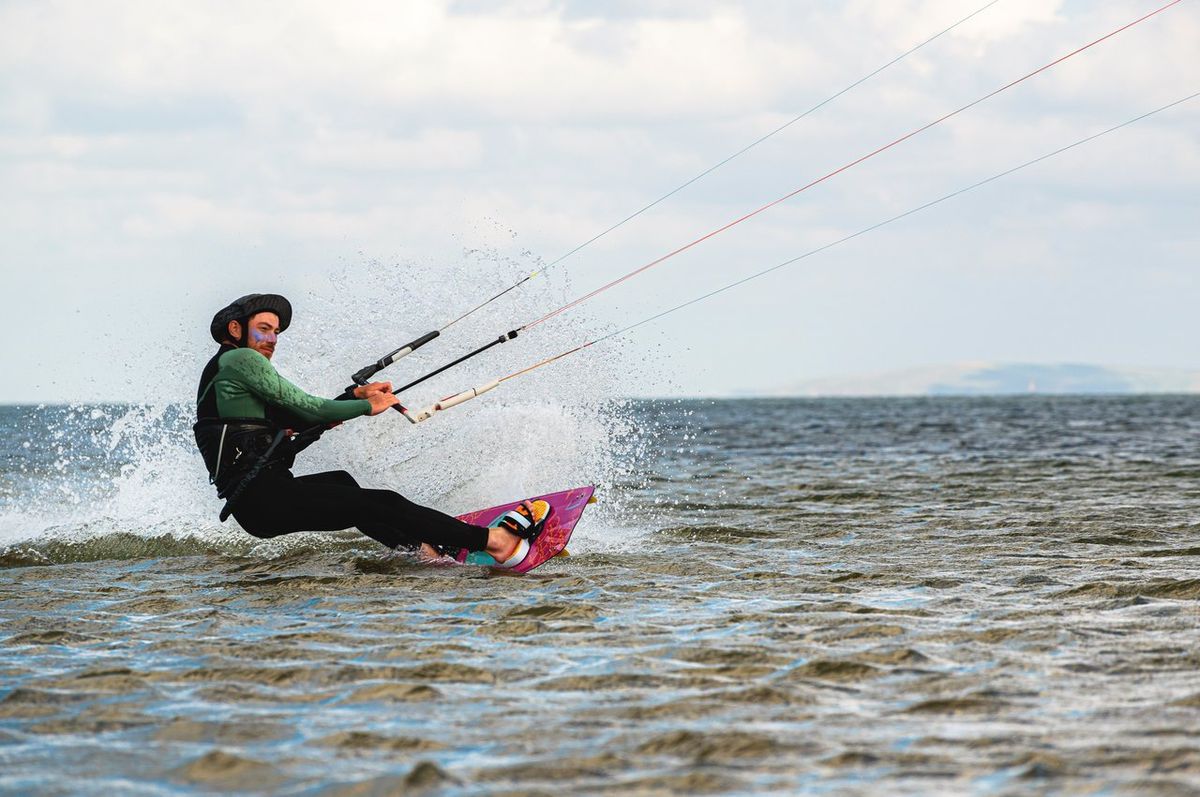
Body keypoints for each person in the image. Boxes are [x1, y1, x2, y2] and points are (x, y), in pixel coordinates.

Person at [193, 293, 545, 567]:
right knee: (379, 503)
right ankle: (495, 542)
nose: (272, 339)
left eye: (276, 332)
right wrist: (366, 406)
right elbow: (309, 407)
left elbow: (300, 419)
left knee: (343, 483)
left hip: (258, 504)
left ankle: (423, 550)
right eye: (264, 329)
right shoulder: (240, 359)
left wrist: (354, 396)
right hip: (263, 498)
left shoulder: (228, 380)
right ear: (236, 329)